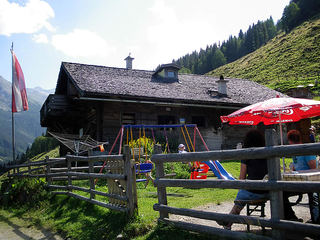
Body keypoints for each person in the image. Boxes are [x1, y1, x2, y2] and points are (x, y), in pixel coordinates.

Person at [218, 129, 268, 230]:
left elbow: (242, 178)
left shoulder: (246, 155)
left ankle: (228, 223)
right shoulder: (268, 153)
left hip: (253, 190)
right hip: (269, 190)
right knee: (243, 194)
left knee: (241, 196)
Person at [283, 130, 319, 223]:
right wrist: (290, 170)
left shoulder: (305, 150)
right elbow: (295, 167)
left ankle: (316, 220)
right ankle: (290, 217)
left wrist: (298, 172)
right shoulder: (295, 152)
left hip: (310, 181)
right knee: (281, 191)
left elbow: (315, 168)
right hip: (298, 181)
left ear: (290, 141)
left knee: (313, 193)